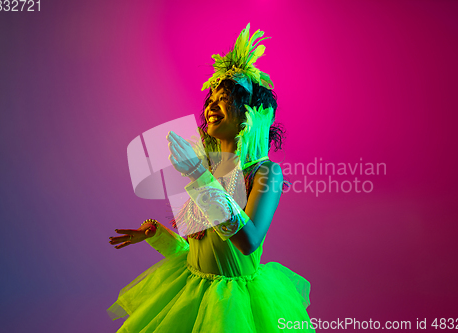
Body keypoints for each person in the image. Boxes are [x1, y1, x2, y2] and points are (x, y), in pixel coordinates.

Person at [108, 23, 314, 332]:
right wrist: (159, 237)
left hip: (233, 306)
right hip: (189, 290)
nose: (212, 107)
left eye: (226, 98)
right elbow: (199, 250)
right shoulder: (208, 166)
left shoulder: (265, 172)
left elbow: (247, 241)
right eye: (211, 99)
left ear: (252, 113)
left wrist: (196, 174)